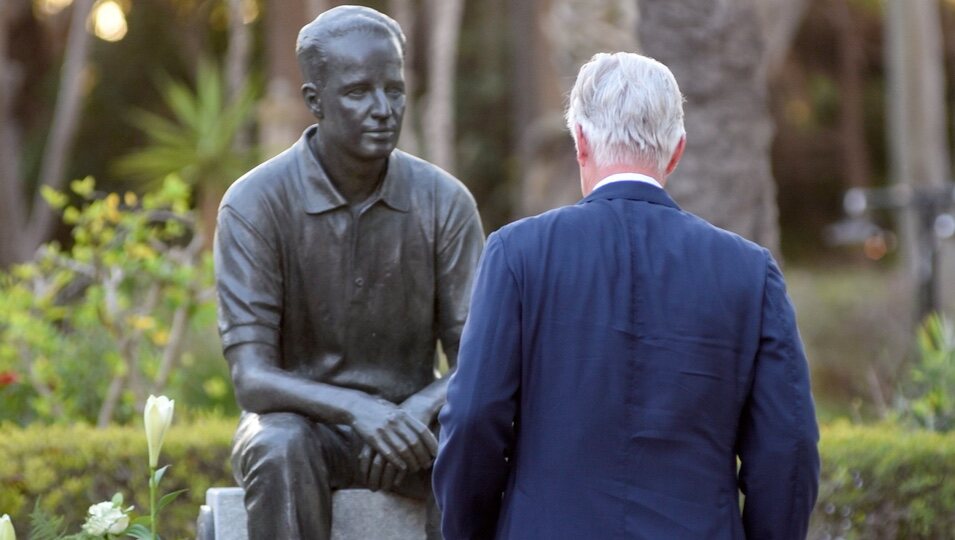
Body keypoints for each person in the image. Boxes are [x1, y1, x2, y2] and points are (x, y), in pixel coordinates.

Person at [433, 52, 820, 539]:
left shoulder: (518, 255)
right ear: (676, 151)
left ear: (579, 142)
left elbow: (472, 419)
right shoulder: (748, 271)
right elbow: (790, 449)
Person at [213, 6, 484, 539]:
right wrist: (360, 411)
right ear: (315, 101)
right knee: (278, 446)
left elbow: (479, 357)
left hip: (412, 428)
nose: (383, 109)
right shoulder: (253, 204)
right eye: (359, 92)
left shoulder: (444, 203)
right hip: (300, 428)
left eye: (395, 90)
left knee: (480, 434)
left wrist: (413, 414)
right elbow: (252, 378)